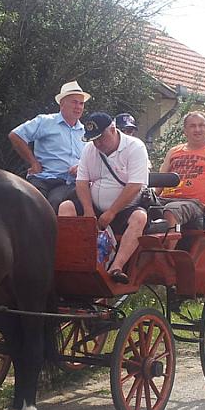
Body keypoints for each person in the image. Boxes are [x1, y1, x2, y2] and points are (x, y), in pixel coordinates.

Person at [58, 112, 150, 284]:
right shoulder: (90, 149)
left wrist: (112, 212)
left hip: (124, 208)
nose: (98, 144)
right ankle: (72, 262)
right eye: (94, 140)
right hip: (94, 207)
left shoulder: (135, 147)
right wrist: (88, 210)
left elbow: (135, 185)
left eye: (101, 138)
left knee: (140, 218)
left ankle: (117, 266)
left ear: (113, 129)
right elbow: (82, 182)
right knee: (65, 207)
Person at [9, 80, 89, 211]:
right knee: (28, 201)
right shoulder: (45, 121)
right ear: (62, 103)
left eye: (81, 103)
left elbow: (93, 158)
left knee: (54, 203)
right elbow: (16, 135)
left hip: (69, 182)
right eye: (74, 102)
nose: (78, 107)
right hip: (42, 178)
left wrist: (82, 167)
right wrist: (33, 163)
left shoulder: (86, 132)